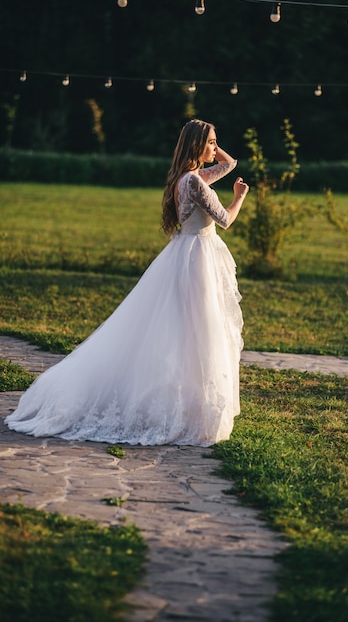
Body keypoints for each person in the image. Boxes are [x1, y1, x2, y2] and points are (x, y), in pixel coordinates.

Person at [5, 119, 249, 447]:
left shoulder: (188, 179)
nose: (214, 149)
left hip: (187, 255)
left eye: (215, 142)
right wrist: (239, 197)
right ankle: (191, 410)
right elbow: (226, 220)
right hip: (196, 261)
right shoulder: (195, 182)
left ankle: (194, 404)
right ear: (195, 146)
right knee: (198, 329)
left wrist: (213, 146)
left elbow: (229, 164)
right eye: (209, 143)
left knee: (191, 330)